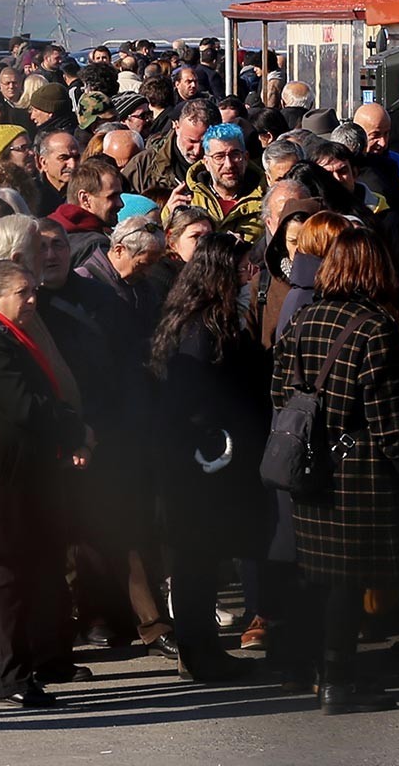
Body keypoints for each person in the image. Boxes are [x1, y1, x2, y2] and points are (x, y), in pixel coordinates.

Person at [271, 226, 399, 713]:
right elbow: (391, 423)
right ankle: (339, 682)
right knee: (346, 582)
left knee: (320, 578)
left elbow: (281, 394)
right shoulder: (373, 328)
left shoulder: (303, 319)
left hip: (310, 466)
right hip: (359, 473)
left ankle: (324, 672)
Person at [0, 260, 91, 708]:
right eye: (22, 293)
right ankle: (10, 678)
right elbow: (23, 404)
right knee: (9, 584)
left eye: (34, 291)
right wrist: (73, 428)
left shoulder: (2, 336)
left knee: (15, 581)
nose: (32, 300)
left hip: (13, 479)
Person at [149, 233, 271, 682]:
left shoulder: (209, 320)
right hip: (200, 467)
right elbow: (189, 400)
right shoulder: (202, 328)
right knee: (195, 563)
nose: (249, 275)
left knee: (200, 560)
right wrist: (217, 439)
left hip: (205, 463)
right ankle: (198, 654)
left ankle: (201, 652)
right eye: (242, 268)